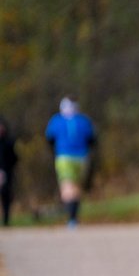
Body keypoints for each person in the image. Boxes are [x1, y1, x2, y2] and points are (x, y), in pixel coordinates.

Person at [45, 97, 97, 228]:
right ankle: (73, 217)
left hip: (64, 157)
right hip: (81, 157)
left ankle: (71, 218)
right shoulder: (84, 120)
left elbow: (49, 139)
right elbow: (92, 139)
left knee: (67, 186)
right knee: (76, 187)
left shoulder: (56, 120)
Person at [0, 117, 18, 226]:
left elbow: (14, 158)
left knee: (6, 196)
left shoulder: (8, 142)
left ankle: (6, 220)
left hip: (6, 172)